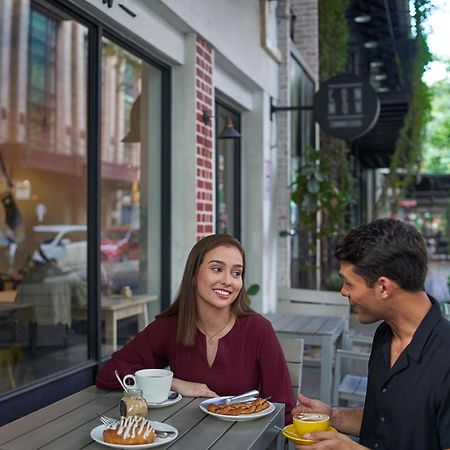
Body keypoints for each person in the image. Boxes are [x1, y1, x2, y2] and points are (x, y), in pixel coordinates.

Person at [96, 233, 296, 423]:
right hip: (181, 437)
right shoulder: (170, 327)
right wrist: (173, 383)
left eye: (236, 273)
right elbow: (109, 375)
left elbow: (283, 407)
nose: (228, 280)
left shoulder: (258, 330)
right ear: (193, 275)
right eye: (217, 269)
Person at [292, 218, 450, 450]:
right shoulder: (385, 334)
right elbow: (388, 418)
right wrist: (331, 416)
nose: (343, 291)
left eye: (349, 283)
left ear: (383, 287)